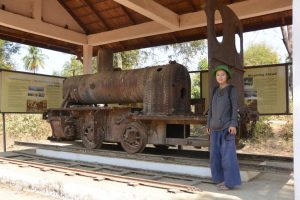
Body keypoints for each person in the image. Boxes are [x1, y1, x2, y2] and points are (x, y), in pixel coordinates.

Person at [207, 64, 241, 190]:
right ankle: (220, 180)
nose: (220, 77)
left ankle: (230, 183)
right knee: (215, 157)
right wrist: (208, 124)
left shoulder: (232, 89)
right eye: (218, 75)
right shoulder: (215, 90)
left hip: (227, 129)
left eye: (223, 74)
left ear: (227, 76)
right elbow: (211, 109)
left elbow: (234, 108)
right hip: (214, 129)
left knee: (228, 157)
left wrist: (233, 124)